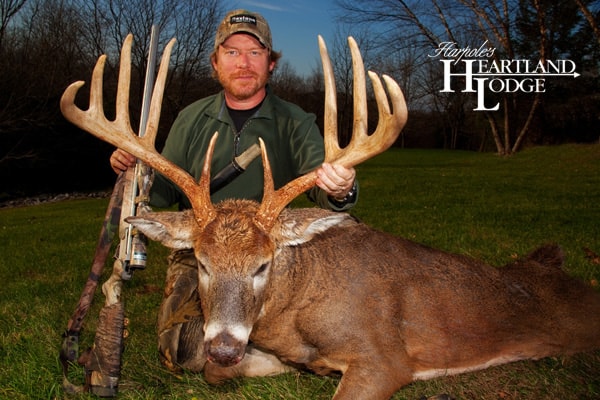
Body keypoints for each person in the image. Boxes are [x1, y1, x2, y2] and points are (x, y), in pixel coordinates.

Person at [109, 9, 359, 372]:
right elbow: (159, 199)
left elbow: (326, 191)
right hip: (204, 244)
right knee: (183, 350)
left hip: (271, 248)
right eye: (232, 52)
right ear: (215, 62)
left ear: (271, 64)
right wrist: (135, 173)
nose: (244, 62)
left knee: (336, 320)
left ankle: (298, 345)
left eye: (255, 53)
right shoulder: (191, 118)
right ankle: (287, 355)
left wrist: (341, 187)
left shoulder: (294, 121)